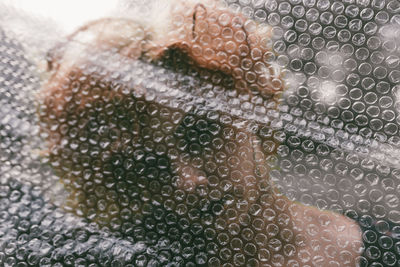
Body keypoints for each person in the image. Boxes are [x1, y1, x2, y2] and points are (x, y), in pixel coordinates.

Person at [39, 1, 362, 266]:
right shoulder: (133, 258)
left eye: (200, 134)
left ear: (253, 108)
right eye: (149, 164)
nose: (188, 182)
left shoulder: (380, 243)